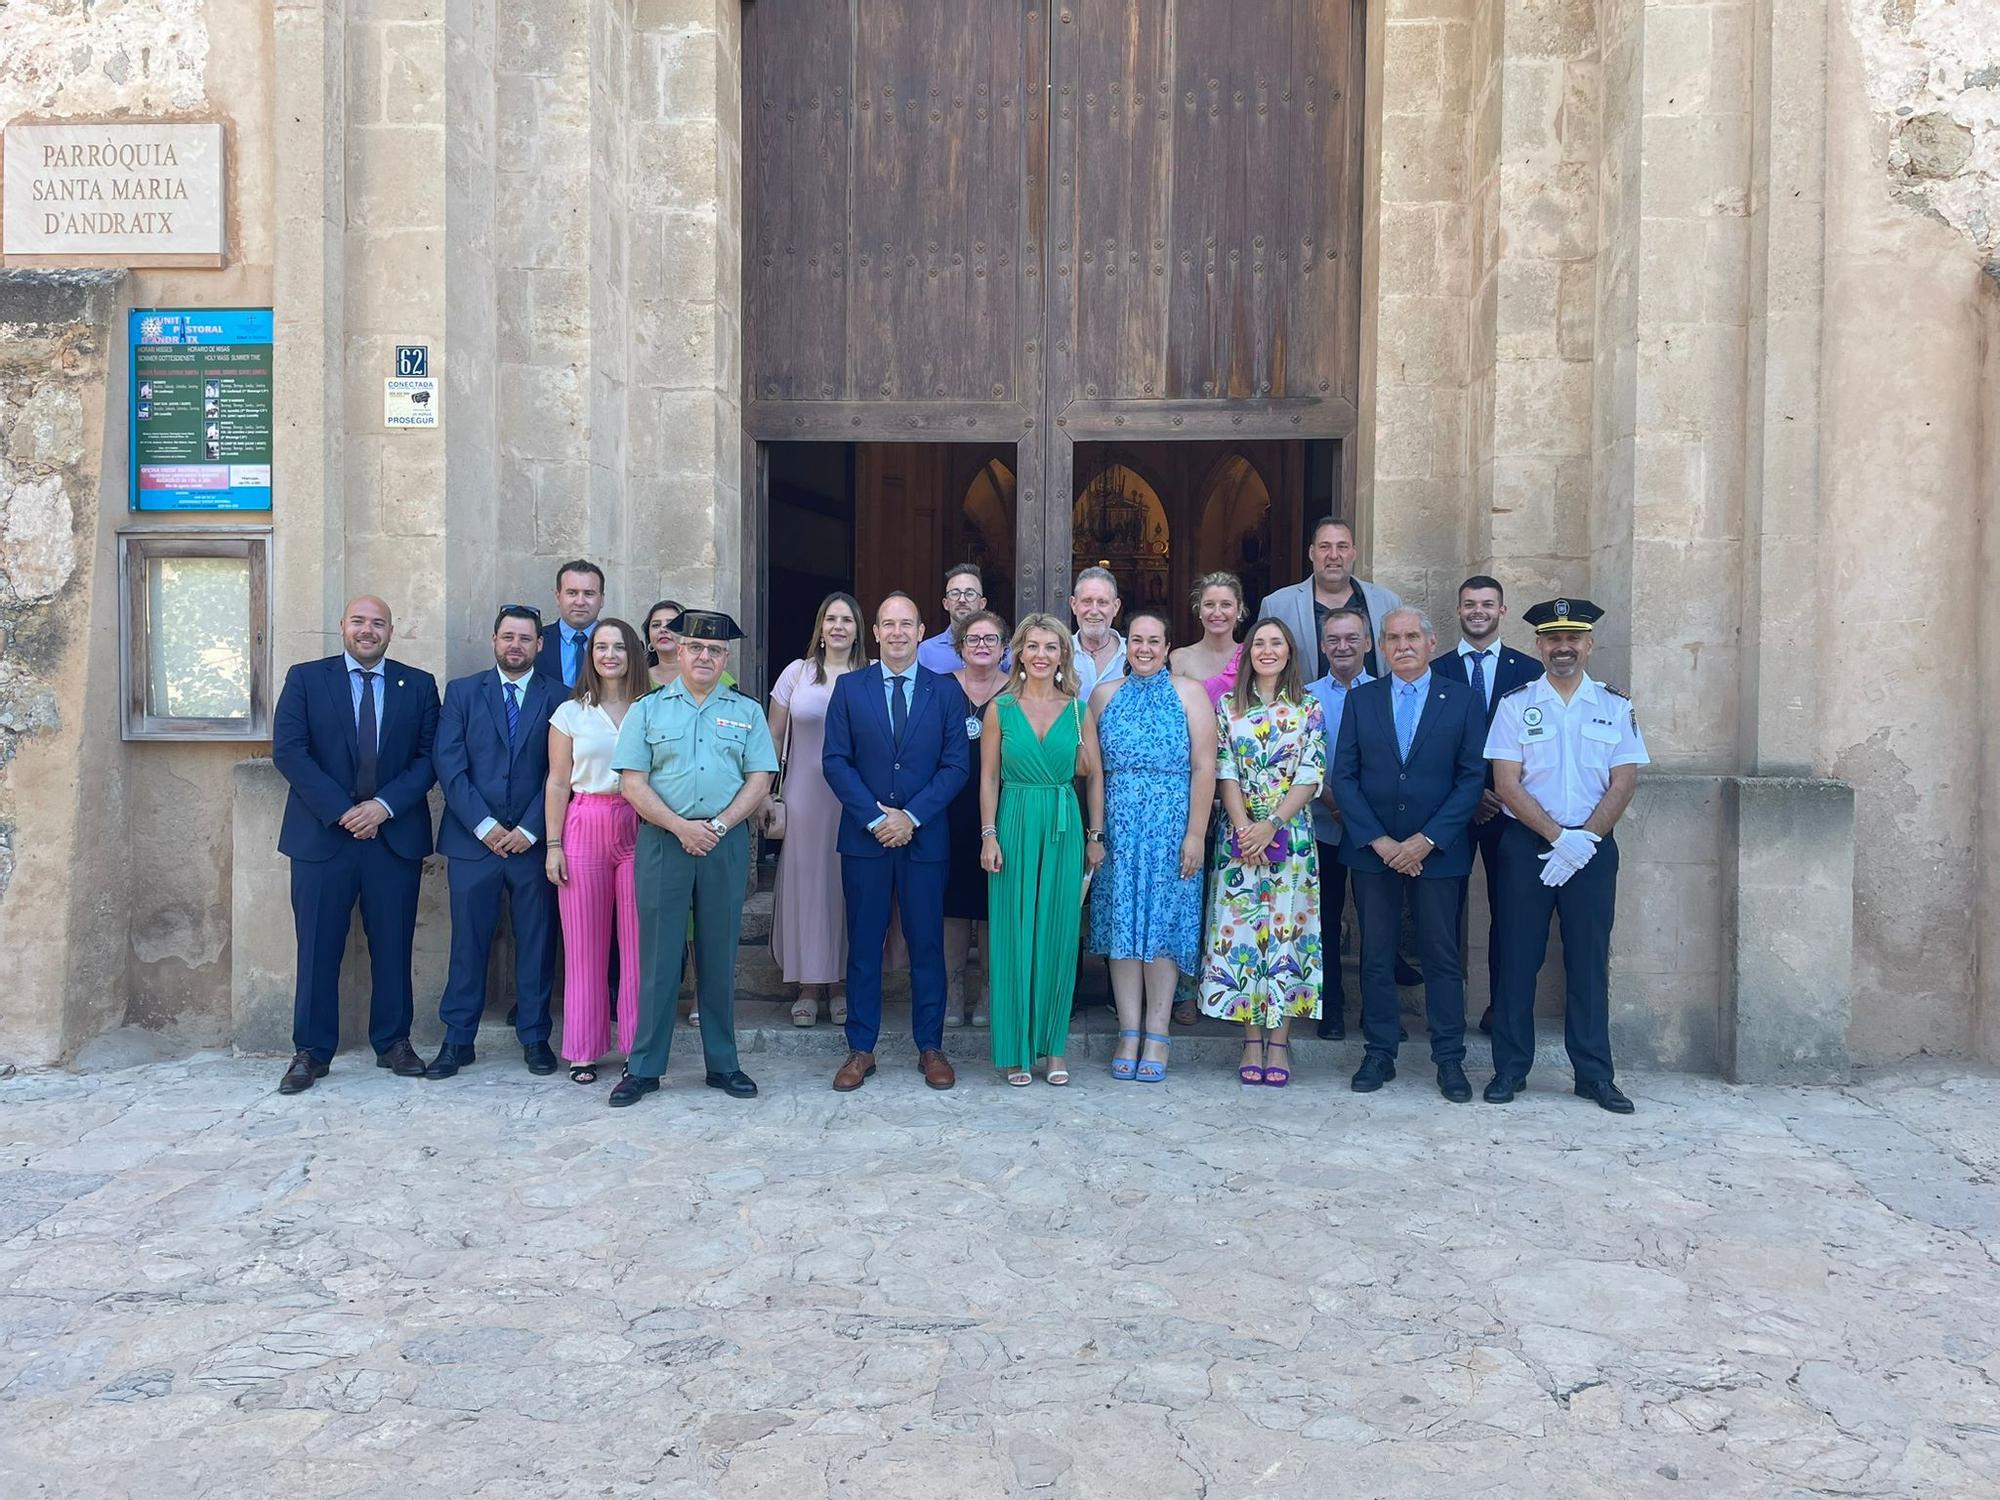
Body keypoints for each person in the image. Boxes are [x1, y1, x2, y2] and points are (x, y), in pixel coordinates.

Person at [1483, 597, 1649, 1113]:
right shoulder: (1515, 704)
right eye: (1553, 639)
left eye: (1573, 639)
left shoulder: (1615, 706)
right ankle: (1510, 1070)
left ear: (1589, 644)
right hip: (1526, 846)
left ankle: (1595, 1075)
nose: (1563, 648)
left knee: (1588, 962)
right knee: (1516, 960)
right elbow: (1505, 783)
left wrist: (1584, 841)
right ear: (1539, 645)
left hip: (1593, 849)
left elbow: (1624, 781)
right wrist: (1558, 837)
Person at [270, 596, 440, 1094]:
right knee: (318, 948)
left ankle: (393, 1042)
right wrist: (344, 811)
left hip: (392, 838)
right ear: (342, 625)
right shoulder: (306, 678)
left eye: (378, 623)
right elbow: (290, 751)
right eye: (359, 622)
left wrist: (383, 807)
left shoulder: (419, 685)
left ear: (392, 631)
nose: (368, 631)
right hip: (323, 836)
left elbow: (430, 758)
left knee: (394, 944)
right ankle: (311, 1051)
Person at [609, 609, 776, 1106]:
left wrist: (719, 826)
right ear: (678, 651)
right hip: (664, 841)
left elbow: (759, 779)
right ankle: (644, 1067)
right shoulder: (648, 709)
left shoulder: (746, 711)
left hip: (723, 843)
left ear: (726, 657)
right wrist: (681, 827)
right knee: (658, 957)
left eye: (716, 650)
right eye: (696, 648)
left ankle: (723, 1064)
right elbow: (632, 781)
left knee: (719, 954)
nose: (705, 656)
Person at [1330, 607, 1488, 1103]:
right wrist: (1378, 840)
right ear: (1381, 645)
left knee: (1441, 955)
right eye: (1393, 638)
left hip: (1438, 852)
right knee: (1376, 954)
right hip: (1374, 851)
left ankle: (1449, 1058)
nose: (1402, 645)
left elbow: (1471, 778)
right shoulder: (1364, 700)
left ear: (1431, 641)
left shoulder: (1462, 700)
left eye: (1412, 637)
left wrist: (1427, 839)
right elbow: (1345, 778)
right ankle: (1379, 1051)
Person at [822, 594, 973, 1091]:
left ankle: (929, 1046)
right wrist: (873, 818)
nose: (898, 633)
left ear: (922, 628)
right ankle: (860, 1048)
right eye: (888, 624)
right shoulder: (849, 688)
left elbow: (956, 766)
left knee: (927, 943)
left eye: (907, 624)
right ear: (877, 632)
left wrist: (910, 816)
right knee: (864, 944)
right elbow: (835, 761)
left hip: (923, 838)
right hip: (865, 839)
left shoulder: (945, 691)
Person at [427, 605, 568, 1079]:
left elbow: (559, 772)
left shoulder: (561, 698)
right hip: (473, 842)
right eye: (508, 636)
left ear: (540, 645)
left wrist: (531, 829)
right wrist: (484, 826)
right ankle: (457, 1040)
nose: (516, 645)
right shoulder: (463, 692)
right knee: (468, 942)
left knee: (537, 941)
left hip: (533, 842)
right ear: (493, 640)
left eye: (525, 639)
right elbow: (449, 764)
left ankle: (534, 1037)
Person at [1088, 608, 1216, 1082]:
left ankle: (1158, 1031)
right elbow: (1095, 772)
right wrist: (1095, 833)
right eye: (1137, 640)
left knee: (1163, 925)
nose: (1144, 648)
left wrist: (1196, 833)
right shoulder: (1103, 696)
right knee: (1122, 926)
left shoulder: (1190, 694)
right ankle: (1128, 1030)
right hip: (1119, 828)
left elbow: (1205, 766)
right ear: (1127, 646)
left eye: (1154, 641)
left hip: (1171, 825)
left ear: (1167, 648)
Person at [1198, 619, 1325, 1088]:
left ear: (1290, 652)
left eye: (1277, 643)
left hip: (1290, 839)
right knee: (1245, 935)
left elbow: (1311, 774)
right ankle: (1252, 1039)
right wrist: (1243, 826)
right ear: (1247, 653)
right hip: (1238, 837)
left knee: (1287, 935)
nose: (1267, 651)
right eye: (1260, 644)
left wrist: (1271, 824)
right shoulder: (1228, 706)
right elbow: (1223, 767)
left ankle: (1280, 1041)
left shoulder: (1308, 707)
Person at [981, 615, 1105, 1086]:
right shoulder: (1000, 709)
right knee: (1013, 935)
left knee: (1056, 935)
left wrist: (1095, 837)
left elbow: (1094, 778)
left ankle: (1053, 1048)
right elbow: (989, 777)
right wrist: (988, 834)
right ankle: (1014, 1049)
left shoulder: (1078, 710)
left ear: (1062, 656)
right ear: (1018, 652)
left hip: (1061, 822)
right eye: (1032, 646)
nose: (1040, 655)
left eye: (1050, 647)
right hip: (1013, 818)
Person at [1429, 575, 1543, 1034]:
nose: (1478, 611)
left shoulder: (1529, 671)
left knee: (1511, 912)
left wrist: (1500, 791)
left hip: (1511, 813)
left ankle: (1502, 1007)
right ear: (1458, 611)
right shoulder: (1435, 670)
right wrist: (1471, 793)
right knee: (1444, 914)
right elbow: (1428, 748)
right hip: (1450, 812)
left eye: (1487, 604)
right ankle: (1447, 1012)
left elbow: (1536, 746)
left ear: (1502, 611)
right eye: (1470, 604)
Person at [545, 618, 650, 1084]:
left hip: (641, 823)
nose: (610, 655)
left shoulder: (651, 708)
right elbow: (556, 781)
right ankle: (584, 1049)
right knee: (584, 943)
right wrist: (553, 844)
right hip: (585, 820)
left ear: (633, 654)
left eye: (619, 647)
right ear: (591, 656)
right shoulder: (570, 712)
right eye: (601, 647)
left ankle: (637, 1047)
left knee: (637, 944)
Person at [767, 593, 868, 1028]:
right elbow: (772, 738)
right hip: (805, 793)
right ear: (820, 627)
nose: (839, 626)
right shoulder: (797, 673)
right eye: (831, 618)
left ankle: (842, 982)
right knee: (807, 884)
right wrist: (768, 794)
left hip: (854, 796)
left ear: (859, 628)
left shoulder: (869, 675)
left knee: (847, 885)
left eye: (847, 619)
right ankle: (808, 985)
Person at [1168, 571, 1248, 1026]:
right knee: (1188, 890)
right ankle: (1182, 987)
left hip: (1243, 790)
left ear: (1240, 611)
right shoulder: (1178, 659)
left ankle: (1222, 984)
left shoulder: (1253, 655)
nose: (1217, 613)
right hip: (1191, 789)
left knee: (1230, 895)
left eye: (1226, 605)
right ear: (1197, 610)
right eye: (1209, 605)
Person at [1303, 607, 1373, 1040]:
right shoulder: (1307, 696)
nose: (1342, 646)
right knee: (1323, 919)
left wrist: (1361, 813)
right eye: (1334, 639)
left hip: (1374, 830)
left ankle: (1375, 1009)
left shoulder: (1386, 692)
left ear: (1367, 642)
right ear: (1323, 645)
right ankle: (1331, 1008)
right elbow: (1301, 761)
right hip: (1321, 824)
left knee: (1375, 921)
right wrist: (1337, 803)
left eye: (1351, 638)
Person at [944, 609, 1011, 1028]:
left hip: (1000, 809)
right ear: (960, 646)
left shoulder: (1015, 693)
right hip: (948, 808)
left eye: (991, 639)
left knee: (991, 902)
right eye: (974, 639)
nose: (982, 646)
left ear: (1004, 648)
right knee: (950, 902)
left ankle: (987, 987)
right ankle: (953, 989)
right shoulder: (942, 689)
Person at [1257, 517, 1402, 680]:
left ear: (1353, 553)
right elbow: (1262, 671)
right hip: (1302, 704)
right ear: (1312, 553)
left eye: (1342, 547)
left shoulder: (1388, 603)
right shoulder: (1277, 606)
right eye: (1325, 547)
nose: (1333, 555)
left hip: (1374, 704)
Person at [917, 562, 1008, 673]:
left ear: (982, 603)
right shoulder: (926, 651)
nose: (962, 600)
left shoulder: (1001, 648)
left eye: (969, 594)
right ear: (946, 604)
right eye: (955, 593)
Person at [537, 559, 605, 688]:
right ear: (558, 597)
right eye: (572, 593)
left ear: (601, 599)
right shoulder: (536, 642)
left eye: (589, 593)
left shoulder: (622, 644)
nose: (580, 602)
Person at [1068, 565, 1127, 700]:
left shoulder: (1134, 655)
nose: (1094, 611)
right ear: (1073, 605)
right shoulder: (1059, 652)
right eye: (1087, 601)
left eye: (1102, 602)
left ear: (1116, 607)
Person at [643, 599, 684, 690]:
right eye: (656, 625)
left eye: (671, 624)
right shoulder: (638, 678)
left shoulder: (712, 676)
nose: (663, 629)